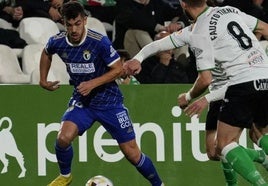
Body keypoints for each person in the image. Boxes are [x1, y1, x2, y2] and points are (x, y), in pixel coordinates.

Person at [124, 0, 268, 185]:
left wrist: (190, 97)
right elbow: (264, 27)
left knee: (224, 145)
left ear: (183, 4)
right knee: (255, 136)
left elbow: (205, 79)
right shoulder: (228, 10)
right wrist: (138, 58)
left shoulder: (199, 31)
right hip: (263, 77)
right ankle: (262, 160)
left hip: (237, 85)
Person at [39, 2, 163, 186]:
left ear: (85, 21)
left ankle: (159, 184)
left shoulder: (99, 42)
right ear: (63, 23)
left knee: (132, 154)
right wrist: (43, 79)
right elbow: (46, 52)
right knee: (63, 138)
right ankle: (65, 176)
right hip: (84, 102)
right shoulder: (57, 41)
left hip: (110, 102)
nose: (74, 29)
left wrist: (92, 83)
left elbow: (118, 69)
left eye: (78, 23)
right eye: (69, 24)